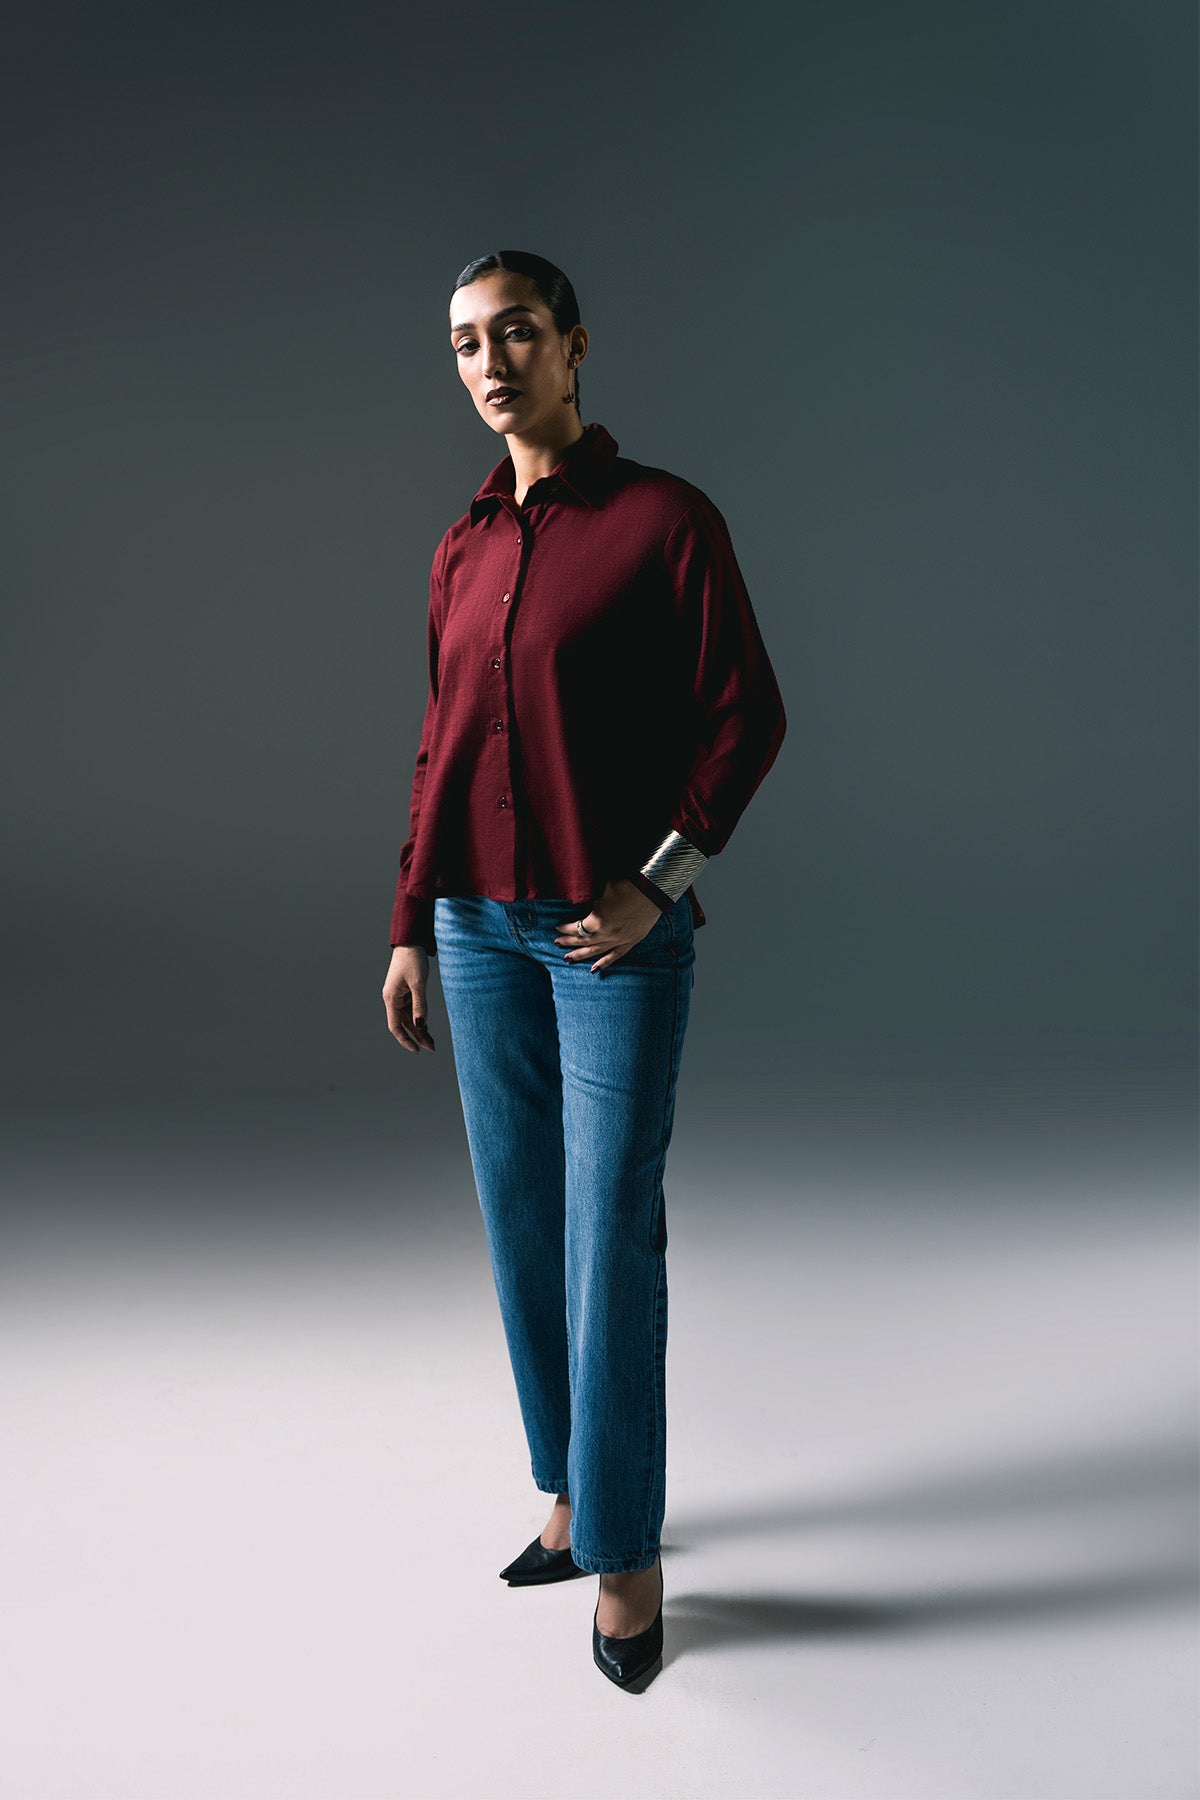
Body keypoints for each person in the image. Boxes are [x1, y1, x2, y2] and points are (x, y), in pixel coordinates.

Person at [382, 250, 786, 1689]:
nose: (490, 363)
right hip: (477, 929)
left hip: (607, 934)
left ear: (574, 346)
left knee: (610, 1226)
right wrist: (410, 919)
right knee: (522, 1219)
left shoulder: (663, 521)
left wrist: (653, 884)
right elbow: (440, 744)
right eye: (464, 343)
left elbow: (748, 715)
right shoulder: (460, 547)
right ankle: (568, 1489)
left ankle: (625, 1553)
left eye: (516, 333)